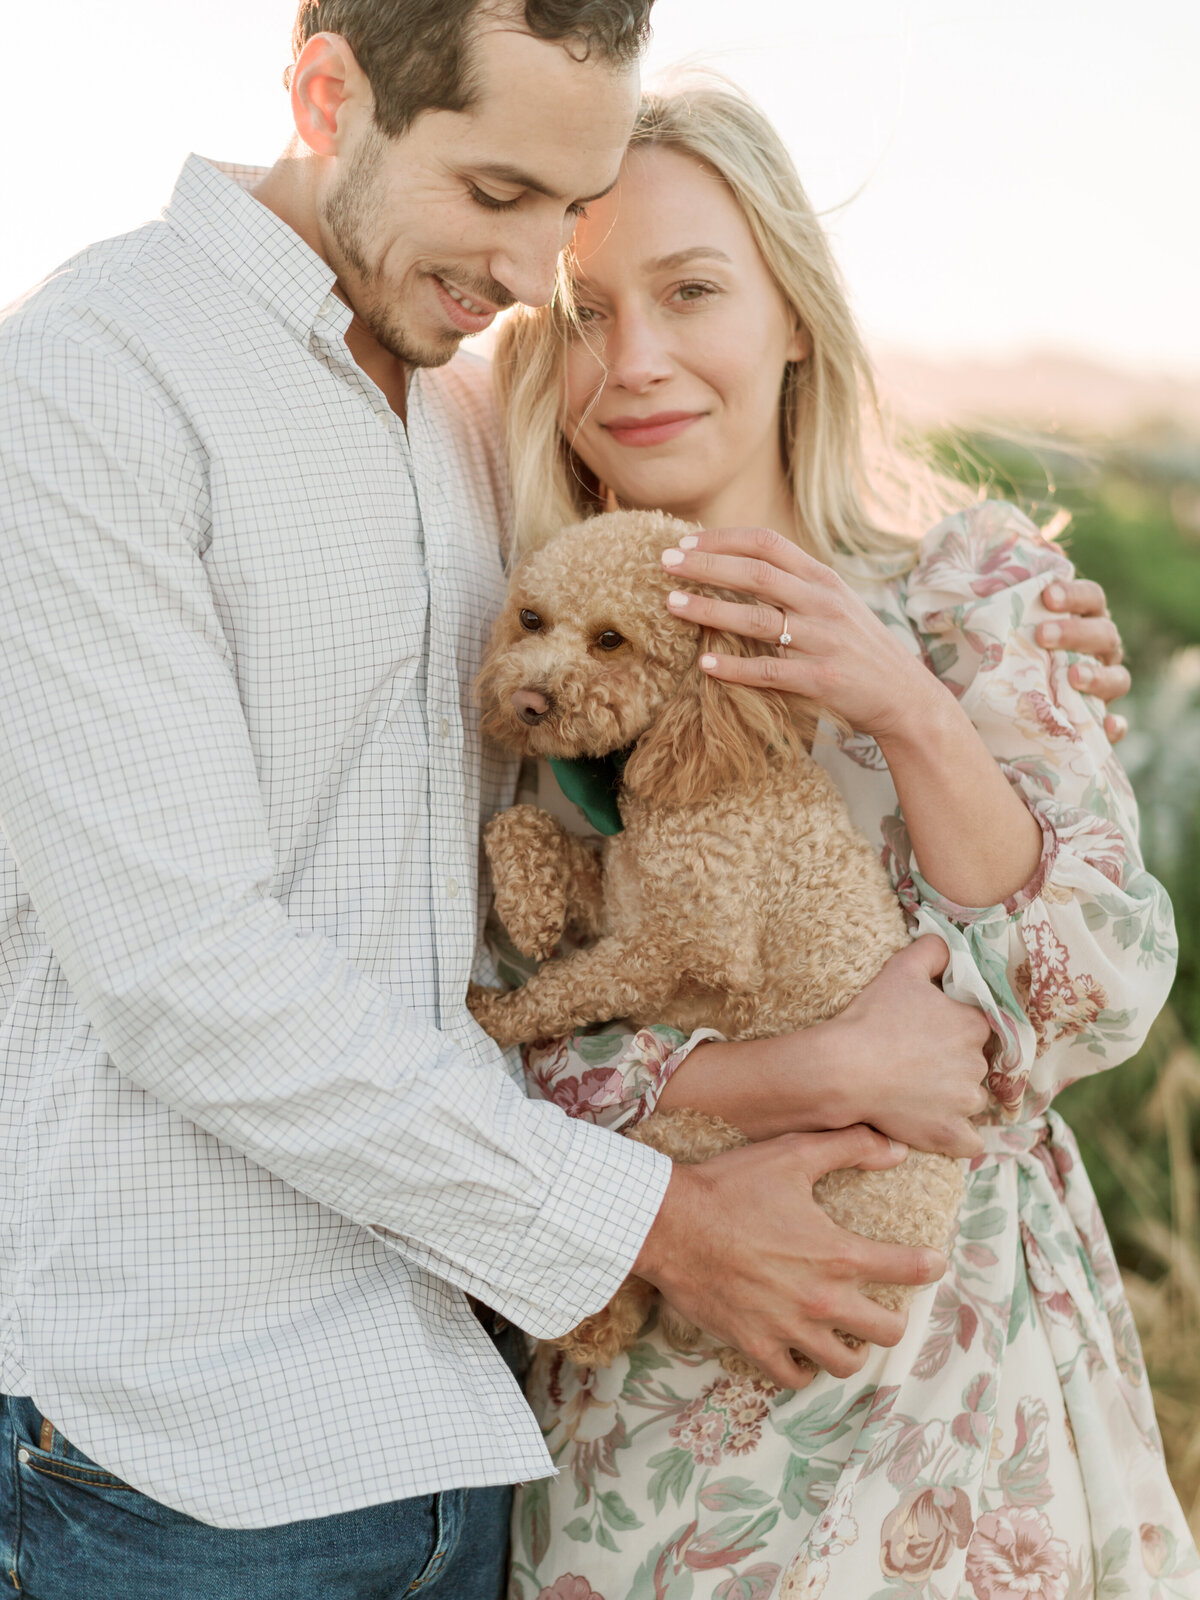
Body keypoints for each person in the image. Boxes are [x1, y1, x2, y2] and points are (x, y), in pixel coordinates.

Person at [0, 4, 1130, 1594]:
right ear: (328, 94)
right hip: (195, 1456)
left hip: (496, 1434)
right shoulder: (103, 382)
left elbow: (1064, 990)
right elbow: (196, 975)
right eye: (500, 198)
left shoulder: (467, 436)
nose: (536, 284)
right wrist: (681, 1199)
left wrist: (949, 676)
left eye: (572, 212)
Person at [494, 81, 1198, 1598]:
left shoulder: (977, 592)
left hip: (964, 1392)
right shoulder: (533, 660)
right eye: (587, 312)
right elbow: (486, 1063)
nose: (638, 361)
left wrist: (907, 707)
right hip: (659, 1419)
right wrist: (806, 1072)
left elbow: (1099, 987)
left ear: (795, 314)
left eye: (692, 293)